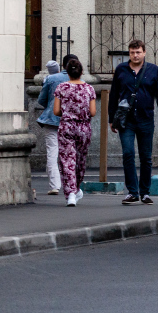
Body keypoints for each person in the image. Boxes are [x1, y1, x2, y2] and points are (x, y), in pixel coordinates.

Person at [110, 39, 158, 205]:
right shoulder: (121, 70)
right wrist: (111, 119)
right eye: (132, 52)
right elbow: (114, 94)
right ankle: (132, 192)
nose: (135, 55)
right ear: (129, 53)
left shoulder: (153, 70)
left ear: (144, 53)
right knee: (128, 154)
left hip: (146, 119)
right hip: (126, 121)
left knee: (146, 157)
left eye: (138, 52)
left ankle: (145, 192)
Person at [53, 58, 96, 207]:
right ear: (81, 72)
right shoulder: (89, 89)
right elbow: (93, 112)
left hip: (66, 126)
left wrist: (68, 113)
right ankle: (77, 188)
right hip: (84, 128)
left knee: (67, 160)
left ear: (67, 72)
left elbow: (56, 111)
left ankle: (71, 193)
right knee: (80, 159)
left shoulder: (61, 88)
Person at [36, 59, 65, 195]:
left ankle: (55, 185)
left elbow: (41, 99)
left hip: (51, 119)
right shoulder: (79, 81)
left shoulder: (50, 79)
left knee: (52, 152)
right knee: (69, 152)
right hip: (70, 121)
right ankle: (72, 184)